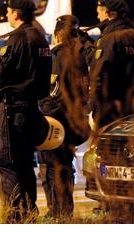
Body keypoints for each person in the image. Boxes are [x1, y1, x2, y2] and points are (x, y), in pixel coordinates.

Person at [0, 0, 52, 223]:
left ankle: (16, 218)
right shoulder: (40, 38)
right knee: (24, 163)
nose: (7, 15)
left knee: (6, 161)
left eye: (9, 12)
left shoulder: (19, 38)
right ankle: (29, 214)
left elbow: (0, 73)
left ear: (16, 14)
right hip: (30, 108)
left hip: (11, 109)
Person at [37, 15, 91, 219]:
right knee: (64, 166)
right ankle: (64, 211)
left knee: (52, 167)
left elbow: (54, 92)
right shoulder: (81, 53)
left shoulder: (60, 56)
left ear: (59, 33)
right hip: (73, 119)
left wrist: (44, 117)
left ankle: (57, 211)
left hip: (57, 120)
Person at [89, 0, 134, 129]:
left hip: (110, 108)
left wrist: (95, 106)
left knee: (108, 147)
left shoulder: (110, 38)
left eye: (100, 13)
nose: (98, 17)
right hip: (132, 104)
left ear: (110, 14)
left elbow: (99, 76)